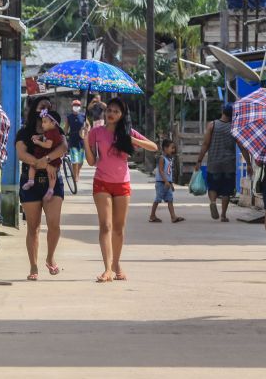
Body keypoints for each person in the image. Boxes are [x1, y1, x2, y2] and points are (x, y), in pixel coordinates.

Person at [84, 97, 157, 283]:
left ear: (122, 115)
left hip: (122, 183)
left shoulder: (128, 132)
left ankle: (116, 264)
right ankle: (107, 269)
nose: (111, 114)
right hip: (101, 182)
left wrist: (130, 139)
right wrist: (85, 140)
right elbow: (92, 162)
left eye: (116, 111)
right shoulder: (96, 132)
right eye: (109, 110)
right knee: (105, 226)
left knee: (118, 228)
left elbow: (154, 147)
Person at [15, 97, 68, 281]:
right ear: (34, 109)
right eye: (42, 106)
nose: (45, 109)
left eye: (48, 107)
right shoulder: (25, 132)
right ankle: (33, 266)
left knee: (54, 224)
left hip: (53, 181)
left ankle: (50, 257)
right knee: (33, 226)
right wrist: (40, 164)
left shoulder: (56, 131)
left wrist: (46, 160)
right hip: (30, 182)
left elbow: (63, 148)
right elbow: (21, 153)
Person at [195, 104, 239, 222]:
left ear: (222, 112)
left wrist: (199, 160)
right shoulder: (234, 127)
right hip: (229, 163)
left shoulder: (212, 125)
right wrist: (249, 163)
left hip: (214, 162)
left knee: (213, 186)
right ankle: (223, 215)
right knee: (226, 191)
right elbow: (242, 146)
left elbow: (205, 144)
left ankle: (213, 202)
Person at [22, 109, 63, 202]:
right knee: (32, 166)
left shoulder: (54, 133)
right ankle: (31, 180)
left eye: (45, 122)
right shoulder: (49, 131)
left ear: (53, 123)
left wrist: (38, 142)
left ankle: (51, 189)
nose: (42, 124)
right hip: (43, 154)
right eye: (42, 122)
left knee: (51, 173)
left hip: (50, 156)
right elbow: (44, 136)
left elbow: (48, 144)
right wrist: (38, 136)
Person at [149, 139, 184, 224]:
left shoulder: (170, 159)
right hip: (161, 183)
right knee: (158, 199)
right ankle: (152, 216)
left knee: (170, 200)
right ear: (165, 148)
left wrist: (170, 183)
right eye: (171, 148)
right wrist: (165, 181)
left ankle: (173, 217)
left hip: (167, 183)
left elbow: (169, 173)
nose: (173, 150)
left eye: (174, 148)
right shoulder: (162, 158)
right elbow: (161, 171)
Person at [65, 99, 88, 185]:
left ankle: (76, 172)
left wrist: (86, 131)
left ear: (80, 107)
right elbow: (66, 128)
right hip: (73, 139)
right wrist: (63, 136)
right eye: (75, 105)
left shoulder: (83, 116)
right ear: (72, 107)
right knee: (75, 160)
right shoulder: (69, 117)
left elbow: (88, 126)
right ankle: (75, 177)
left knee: (81, 161)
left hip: (81, 140)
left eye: (78, 105)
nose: (76, 106)